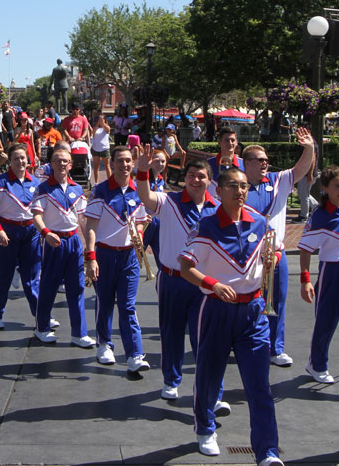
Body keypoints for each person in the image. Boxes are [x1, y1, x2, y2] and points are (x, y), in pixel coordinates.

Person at [178, 165, 284, 466]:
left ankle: (267, 451)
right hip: (216, 310)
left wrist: (272, 257)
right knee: (209, 376)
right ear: (219, 191)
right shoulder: (206, 226)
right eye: (234, 186)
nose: (240, 192)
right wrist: (212, 284)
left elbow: (274, 251)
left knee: (260, 385)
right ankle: (205, 428)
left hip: (253, 313)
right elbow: (186, 267)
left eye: (244, 187)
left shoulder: (260, 223)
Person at [135, 145, 222, 404]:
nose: (196, 180)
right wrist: (142, 170)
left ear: (210, 181)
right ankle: (171, 381)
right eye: (192, 175)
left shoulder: (217, 209)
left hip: (204, 283)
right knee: (171, 333)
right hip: (172, 279)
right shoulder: (169, 202)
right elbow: (145, 197)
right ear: (184, 178)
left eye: (202, 176)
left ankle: (213, 392)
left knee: (206, 338)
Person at [241, 128, 315, 367]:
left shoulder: (277, 180)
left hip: (276, 253)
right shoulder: (238, 184)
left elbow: (300, 170)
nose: (265, 164)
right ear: (247, 163)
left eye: (266, 160)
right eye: (260, 160)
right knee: (247, 300)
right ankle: (243, 341)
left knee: (277, 301)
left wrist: (309, 148)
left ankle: (275, 348)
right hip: (246, 255)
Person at [83, 146, 150, 372]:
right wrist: (91, 257)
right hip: (105, 254)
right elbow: (90, 226)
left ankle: (135, 354)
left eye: (128, 161)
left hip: (129, 255)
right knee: (104, 302)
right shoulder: (100, 191)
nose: (125, 165)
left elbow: (140, 221)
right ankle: (104, 344)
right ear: (111, 163)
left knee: (128, 305)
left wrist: (139, 233)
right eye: (120, 161)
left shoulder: (138, 190)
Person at [296, 166, 339, 385]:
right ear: (324, 189)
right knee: (326, 321)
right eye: (337, 186)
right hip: (333, 271)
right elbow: (305, 249)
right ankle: (317, 364)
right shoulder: (320, 216)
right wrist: (305, 279)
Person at [29, 146, 95, 347]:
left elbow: (83, 220)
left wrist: (90, 248)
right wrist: (46, 233)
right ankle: (42, 328)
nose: (61, 164)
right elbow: (36, 216)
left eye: (65, 161)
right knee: (48, 286)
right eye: (57, 160)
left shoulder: (76, 189)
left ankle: (79, 333)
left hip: (73, 241)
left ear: (71, 165)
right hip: (53, 242)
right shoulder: (43, 189)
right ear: (51, 164)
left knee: (77, 287)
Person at [0, 144, 46, 329]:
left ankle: (40, 315)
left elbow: (41, 210)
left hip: (31, 233)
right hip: (8, 232)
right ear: (9, 161)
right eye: (16, 158)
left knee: (33, 277)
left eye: (23, 158)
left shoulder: (35, 182)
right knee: (3, 275)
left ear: (28, 160)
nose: (20, 161)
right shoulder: (1, 182)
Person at [88, 114, 111, 183]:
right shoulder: (95, 128)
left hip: (105, 149)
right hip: (96, 149)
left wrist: (103, 123)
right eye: (99, 119)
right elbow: (93, 133)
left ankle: (110, 181)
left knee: (107, 166)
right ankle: (96, 182)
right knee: (96, 166)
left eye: (102, 119)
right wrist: (98, 122)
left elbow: (108, 129)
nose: (101, 121)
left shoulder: (107, 127)